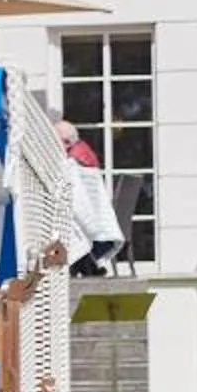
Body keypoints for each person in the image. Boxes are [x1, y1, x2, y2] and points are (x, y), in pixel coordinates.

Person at [58, 117, 125, 274]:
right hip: (97, 216)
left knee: (64, 217)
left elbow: (76, 198)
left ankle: (81, 265)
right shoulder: (85, 152)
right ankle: (89, 265)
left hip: (87, 221)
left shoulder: (72, 163)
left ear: (66, 143)